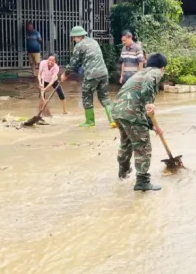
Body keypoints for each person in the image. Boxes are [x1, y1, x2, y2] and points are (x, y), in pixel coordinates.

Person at [112, 53, 167, 192]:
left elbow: (141, 105)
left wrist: (153, 126)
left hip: (119, 111)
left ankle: (123, 173)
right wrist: (149, 102)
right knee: (143, 146)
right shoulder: (155, 72)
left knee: (126, 142)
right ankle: (142, 181)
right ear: (163, 67)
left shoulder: (141, 73)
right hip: (132, 113)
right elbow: (145, 100)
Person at [61, 26, 116, 128]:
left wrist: (65, 74)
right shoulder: (93, 42)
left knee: (86, 96)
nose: (73, 39)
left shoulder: (79, 45)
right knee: (104, 97)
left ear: (78, 36)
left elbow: (74, 63)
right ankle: (113, 120)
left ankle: (90, 122)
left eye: (73, 37)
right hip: (103, 73)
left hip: (91, 74)